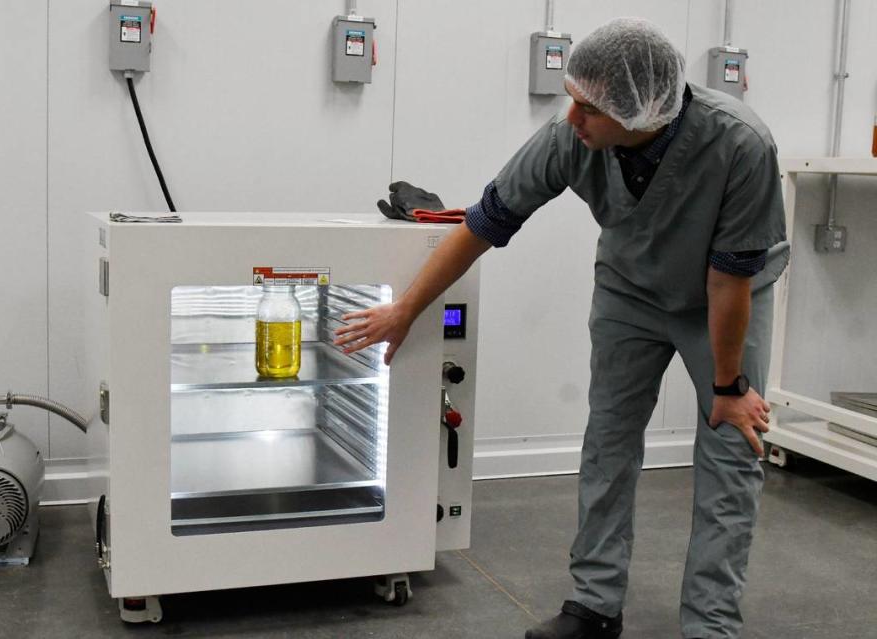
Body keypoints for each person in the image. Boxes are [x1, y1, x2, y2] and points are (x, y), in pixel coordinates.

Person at [335, 17, 789, 639]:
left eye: (589, 108)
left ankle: (711, 625)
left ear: (640, 113)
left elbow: (728, 280)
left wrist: (731, 387)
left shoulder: (740, 145)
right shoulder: (568, 136)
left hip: (727, 301)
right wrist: (406, 308)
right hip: (631, 291)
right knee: (609, 440)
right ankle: (595, 605)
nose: (571, 117)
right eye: (572, 100)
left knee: (732, 452)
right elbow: (483, 223)